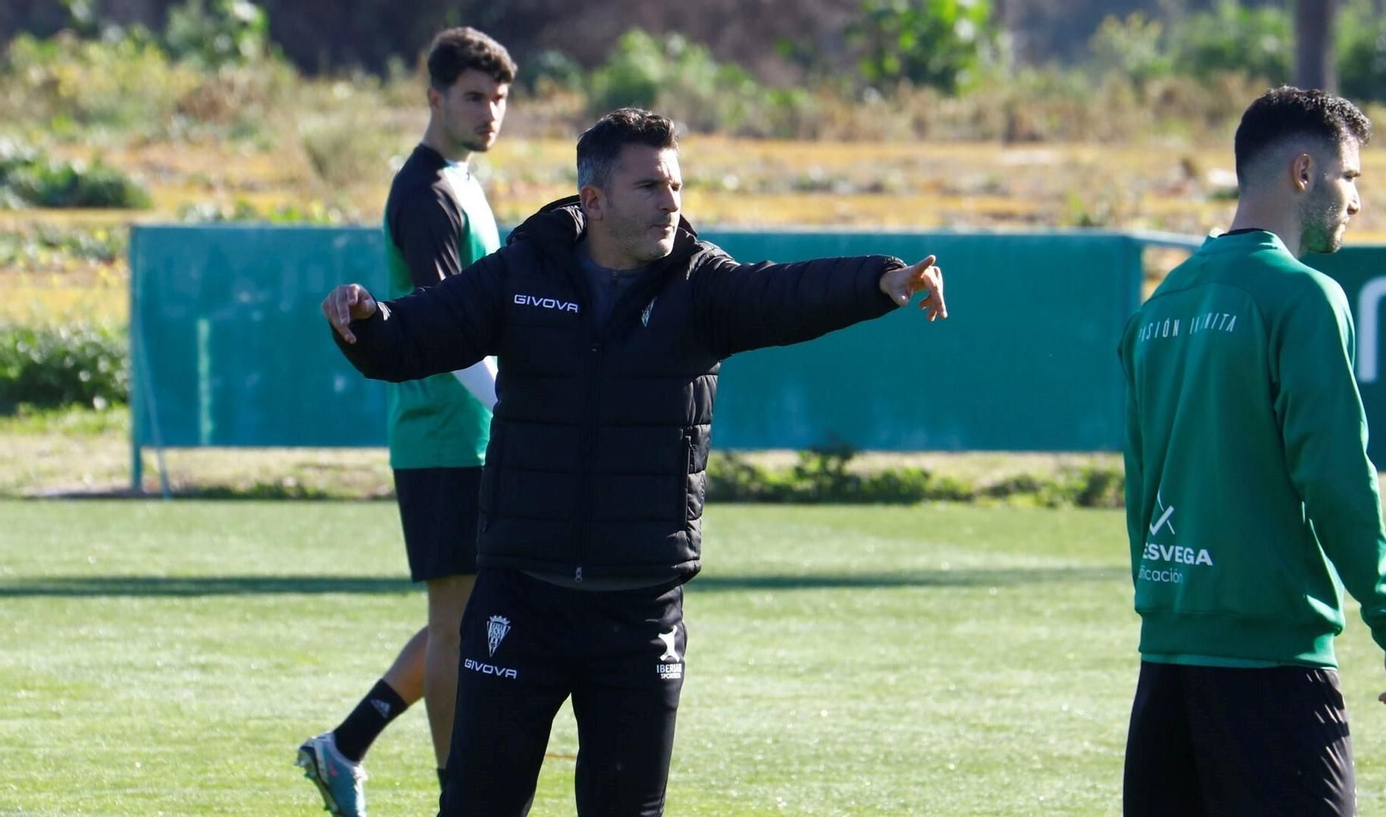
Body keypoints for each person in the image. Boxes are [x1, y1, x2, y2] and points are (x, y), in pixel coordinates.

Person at [320, 107, 947, 816]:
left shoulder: (702, 287)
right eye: (650, 186)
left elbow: (783, 293)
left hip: (640, 612)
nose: (671, 202)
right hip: (520, 601)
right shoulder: (524, 273)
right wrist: (368, 322)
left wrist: (881, 282)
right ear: (593, 200)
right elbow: (420, 332)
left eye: (676, 185)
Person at [1116, 86, 1386, 816]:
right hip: (1271, 668)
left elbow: (1139, 482)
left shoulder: (1161, 305)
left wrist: (1170, 602)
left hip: (1166, 668)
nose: (1355, 201)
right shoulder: (1304, 297)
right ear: (1303, 172)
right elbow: (1336, 477)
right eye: (1349, 177)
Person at [296, 27, 516, 817]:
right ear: (433, 97)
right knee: (459, 624)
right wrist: (510, 407)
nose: (489, 113)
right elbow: (451, 327)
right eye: (472, 97)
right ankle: (457, 794)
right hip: (443, 433)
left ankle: (345, 745)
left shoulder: (461, 178)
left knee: (479, 611)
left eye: (498, 99)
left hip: (473, 432)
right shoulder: (425, 193)